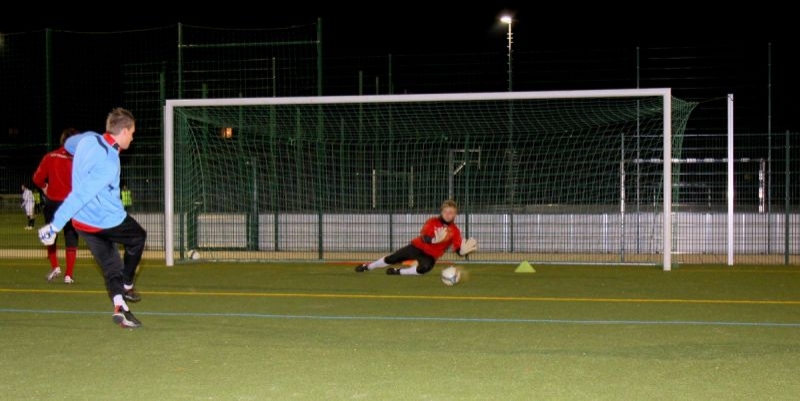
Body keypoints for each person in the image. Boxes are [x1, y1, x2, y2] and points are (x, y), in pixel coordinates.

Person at [38, 108, 147, 329]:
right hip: (108, 220)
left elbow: (69, 145)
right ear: (123, 131)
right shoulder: (109, 163)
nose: (132, 138)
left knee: (111, 265)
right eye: (132, 133)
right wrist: (55, 226)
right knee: (138, 237)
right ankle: (127, 284)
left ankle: (120, 307)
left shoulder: (87, 139)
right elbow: (80, 195)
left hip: (83, 224)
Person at [355, 199, 478, 276]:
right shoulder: (432, 221)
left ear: (455, 214)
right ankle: (368, 266)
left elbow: (458, 249)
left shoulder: (455, 231)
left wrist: (462, 252)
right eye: (445, 211)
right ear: (441, 212)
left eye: (451, 212)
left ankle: (398, 272)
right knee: (392, 258)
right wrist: (435, 240)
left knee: (424, 269)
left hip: (430, 256)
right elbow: (424, 237)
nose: (448, 215)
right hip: (416, 247)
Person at [33, 127, 81, 283]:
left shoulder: (50, 156)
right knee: (71, 236)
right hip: (71, 204)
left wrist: (45, 187)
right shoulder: (79, 160)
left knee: (50, 234)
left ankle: (55, 267)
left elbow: (37, 178)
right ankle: (68, 275)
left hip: (53, 203)